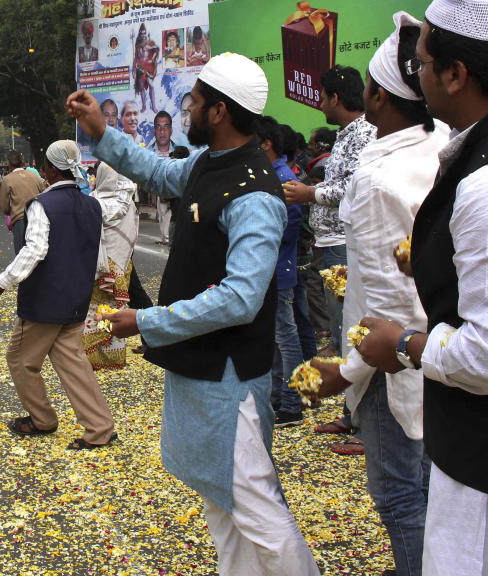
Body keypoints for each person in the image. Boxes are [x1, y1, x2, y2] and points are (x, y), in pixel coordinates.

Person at [67, 52, 320, 575]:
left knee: (254, 505)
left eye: (196, 102)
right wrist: (101, 131)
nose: (189, 111)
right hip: (202, 366)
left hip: (228, 375)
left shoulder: (255, 194)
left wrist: (148, 320)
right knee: (222, 503)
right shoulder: (208, 164)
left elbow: (239, 298)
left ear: (220, 112)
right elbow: (157, 171)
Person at [355, 0, 488, 576]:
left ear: (456, 75)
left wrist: (402, 346)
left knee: (412, 505)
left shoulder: (479, 185)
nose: (421, 76)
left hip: (473, 445)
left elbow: (483, 354)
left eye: (428, 62)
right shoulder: (460, 154)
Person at [301, 11, 443, 576]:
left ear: (379, 99)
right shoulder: (438, 150)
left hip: (392, 363)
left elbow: (390, 309)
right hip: (435, 350)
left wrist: (348, 371)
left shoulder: (377, 179)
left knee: (400, 495)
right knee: (431, 480)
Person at [0, 139, 116, 450]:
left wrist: (2, 282)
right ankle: (100, 427)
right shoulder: (91, 204)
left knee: (19, 360)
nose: (42, 172)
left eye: (43, 167)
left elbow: (35, 250)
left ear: (52, 171)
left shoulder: (42, 204)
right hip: (76, 299)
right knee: (72, 360)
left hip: (45, 302)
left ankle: (43, 420)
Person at [284, 65, 376, 453]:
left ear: (337, 98)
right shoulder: (345, 135)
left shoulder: (365, 133)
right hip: (331, 240)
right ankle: (350, 412)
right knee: (341, 332)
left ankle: (365, 426)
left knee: (355, 332)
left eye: (322, 97)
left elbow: (355, 186)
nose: (319, 103)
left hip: (345, 241)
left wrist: (311, 195)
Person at [256, 117, 306, 428]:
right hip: (271, 268)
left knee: (286, 337)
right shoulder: (271, 174)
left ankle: (292, 403)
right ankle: (278, 398)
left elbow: (291, 222)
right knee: (276, 337)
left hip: (279, 268)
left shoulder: (283, 179)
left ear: (267, 144)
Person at [82, 162, 137, 370]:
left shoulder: (93, 202)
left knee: (95, 308)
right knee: (113, 308)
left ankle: (92, 354)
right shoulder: (128, 202)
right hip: (121, 264)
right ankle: (111, 355)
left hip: (98, 265)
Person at [0, 150, 44, 254]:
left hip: (20, 219)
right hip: (37, 219)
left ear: (9, 164)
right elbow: (44, 194)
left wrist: (11, 212)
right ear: (22, 162)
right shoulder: (35, 176)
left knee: (21, 254)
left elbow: (4, 205)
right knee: (37, 252)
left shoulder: (7, 179)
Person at [152, 111, 175, 245]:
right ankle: (163, 237)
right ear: (154, 130)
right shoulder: (147, 152)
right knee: (161, 215)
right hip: (160, 193)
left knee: (168, 216)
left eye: (166, 126)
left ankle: (167, 238)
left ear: (171, 130)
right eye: (158, 127)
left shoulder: (177, 153)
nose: (162, 131)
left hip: (169, 193)